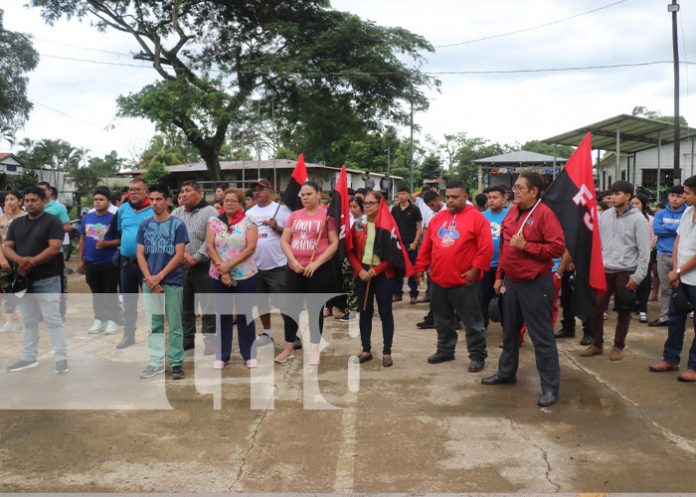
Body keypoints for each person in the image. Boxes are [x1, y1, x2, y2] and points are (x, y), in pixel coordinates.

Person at [482, 172, 565, 407]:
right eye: (514, 188)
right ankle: (506, 373)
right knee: (509, 333)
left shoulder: (544, 214)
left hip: (536, 284)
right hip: (512, 282)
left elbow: (557, 247)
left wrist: (527, 246)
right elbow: (507, 249)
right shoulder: (512, 212)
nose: (515, 191)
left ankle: (550, 387)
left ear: (534, 191)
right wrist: (500, 276)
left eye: (520, 188)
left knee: (542, 337)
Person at [414, 181, 492, 371]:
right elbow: (426, 247)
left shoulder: (477, 218)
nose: (450, 200)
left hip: (464, 281)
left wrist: (476, 269)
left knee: (472, 321)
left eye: (455, 197)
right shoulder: (437, 219)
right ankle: (445, 350)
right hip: (438, 280)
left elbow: (485, 248)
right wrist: (420, 267)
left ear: (466, 197)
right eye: (447, 197)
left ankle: (477, 355)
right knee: (442, 319)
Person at [581, 180, 650, 361]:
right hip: (604, 270)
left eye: (618, 194)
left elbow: (644, 251)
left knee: (624, 309)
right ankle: (597, 343)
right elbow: (597, 243)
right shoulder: (605, 216)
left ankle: (618, 346)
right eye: (612, 194)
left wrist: (638, 276)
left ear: (628, 196)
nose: (613, 197)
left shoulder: (639, 220)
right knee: (596, 308)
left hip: (626, 271)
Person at [4, 187, 68, 374]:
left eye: (34, 200)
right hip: (24, 279)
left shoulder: (53, 221)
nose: (30, 203)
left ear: (43, 201)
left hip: (47, 278)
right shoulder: (17, 224)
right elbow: (7, 246)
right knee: (28, 321)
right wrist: (20, 261)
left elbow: (54, 247)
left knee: (53, 320)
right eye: (27, 200)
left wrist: (31, 261)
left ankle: (61, 359)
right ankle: (28, 357)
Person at [275, 182, 338, 365]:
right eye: (302, 195)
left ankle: (314, 349)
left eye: (309, 194)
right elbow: (285, 240)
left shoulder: (328, 216)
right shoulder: (294, 216)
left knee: (314, 309)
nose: (305, 197)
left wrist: (317, 263)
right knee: (291, 308)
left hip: (317, 270)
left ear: (319, 194)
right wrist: (293, 262)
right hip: (295, 268)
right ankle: (289, 348)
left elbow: (334, 243)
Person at [136, 184, 189, 380]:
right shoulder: (145, 225)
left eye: (159, 199)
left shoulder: (177, 225)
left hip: (172, 282)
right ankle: (156, 362)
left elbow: (180, 254)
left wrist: (160, 276)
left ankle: (176, 362)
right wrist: (150, 278)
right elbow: (140, 254)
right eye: (152, 199)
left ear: (167, 201)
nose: (155, 203)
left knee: (175, 325)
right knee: (154, 324)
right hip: (150, 283)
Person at [649, 175, 696, 381]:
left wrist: (678, 271)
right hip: (682, 278)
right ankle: (671, 359)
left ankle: (694, 367)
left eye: (687, 193)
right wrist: (676, 271)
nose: (683, 196)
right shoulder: (688, 212)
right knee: (675, 321)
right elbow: (678, 240)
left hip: (692, 278)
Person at [206, 188, 258, 369]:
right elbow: (210, 247)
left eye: (233, 201)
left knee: (245, 314)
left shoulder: (249, 221)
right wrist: (223, 270)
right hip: (218, 274)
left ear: (241, 203)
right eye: (226, 200)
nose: (228, 203)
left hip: (245, 275)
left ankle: (248, 353)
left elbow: (250, 248)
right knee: (223, 314)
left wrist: (229, 266)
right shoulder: (214, 221)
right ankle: (222, 354)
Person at [102, 178, 153, 349]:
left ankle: (156, 337)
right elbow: (118, 232)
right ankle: (128, 335)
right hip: (127, 264)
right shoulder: (123, 209)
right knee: (129, 303)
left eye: (137, 189)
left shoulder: (154, 209)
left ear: (146, 191)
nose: (132, 192)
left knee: (153, 303)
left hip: (148, 265)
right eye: (130, 189)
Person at [347, 192, 396, 367]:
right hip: (362, 274)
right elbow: (350, 250)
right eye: (365, 203)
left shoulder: (388, 225)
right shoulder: (358, 225)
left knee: (385, 313)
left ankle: (387, 352)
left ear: (380, 204)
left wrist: (377, 270)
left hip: (382, 275)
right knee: (364, 312)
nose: (367, 206)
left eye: (371, 203)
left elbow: (393, 255)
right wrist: (359, 269)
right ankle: (366, 350)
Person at [171, 179, 219, 353]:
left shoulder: (210, 212)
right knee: (185, 306)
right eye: (181, 191)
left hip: (204, 267)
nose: (182, 194)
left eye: (187, 190)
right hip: (181, 267)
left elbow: (211, 238)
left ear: (199, 192)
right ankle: (188, 338)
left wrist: (197, 257)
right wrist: (183, 255)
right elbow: (171, 237)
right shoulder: (176, 213)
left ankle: (210, 340)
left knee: (208, 306)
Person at [246, 179, 295, 347]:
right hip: (255, 267)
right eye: (254, 189)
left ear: (269, 190)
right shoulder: (249, 213)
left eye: (260, 189)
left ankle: (292, 335)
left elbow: (293, 235)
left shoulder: (282, 210)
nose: (256, 192)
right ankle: (267, 333)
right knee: (261, 302)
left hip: (278, 266)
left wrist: (277, 228)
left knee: (284, 303)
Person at [78, 187, 121, 335]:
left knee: (109, 291)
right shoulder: (88, 217)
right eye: (95, 199)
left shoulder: (114, 218)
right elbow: (82, 238)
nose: (97, 202)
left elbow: (120, 239)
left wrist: (107, 244)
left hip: (109, 262)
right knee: (96, 292)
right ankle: (99, 319)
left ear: (109, 202)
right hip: (91, 262)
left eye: (101, 199)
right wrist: (81, 260)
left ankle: (113, 320)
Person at [650, 185, 686, 327]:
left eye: (679, 196)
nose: (675, 199)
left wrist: (668, 228)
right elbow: (657, 229)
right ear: (669, 196)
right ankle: (665, 317)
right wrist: (676, 229)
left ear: (684, 198)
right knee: (665, 289)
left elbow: (683, 231)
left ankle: (680, 317)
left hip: (682, 257)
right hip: (663, 255)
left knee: (684, 289)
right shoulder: (660, 214)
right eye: (672, 195)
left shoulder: (688, 213)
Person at [416, 189, 447, 329]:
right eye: (428, 204)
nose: (431, 206)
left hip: (446, 256)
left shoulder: (448, 211)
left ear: (438, 198)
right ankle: (433, 317)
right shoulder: (429, 213)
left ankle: (447, 318)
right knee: (433, 290)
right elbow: (426, 233)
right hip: (433, 256)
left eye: (432, 203)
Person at [480, 185, 509, 329]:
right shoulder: (482, 216)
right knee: (482, 300)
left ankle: (508, 333)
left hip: (503, 267)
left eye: (495, 198)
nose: (491, 200)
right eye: (489, 198)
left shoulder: (510, 215)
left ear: (504, 199)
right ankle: (481, 330)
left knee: (505, 301)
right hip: (486, 266)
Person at [0, 190, 27, 332]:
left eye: (12, 199)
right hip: (5, 260)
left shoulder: (26, 217)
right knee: (8, 289)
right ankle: (9, 322)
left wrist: (11, 220)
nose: (9, 202)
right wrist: (1, 257)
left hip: (22, 259)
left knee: (22, 288)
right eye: (6, 199)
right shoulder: (1, 219)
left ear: (20, 201)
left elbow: (23, 238)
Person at [391, 186, 422, 304]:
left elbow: (419, 228)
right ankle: (397, 293)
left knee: (413, 270)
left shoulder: (414, 209)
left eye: (404, 193)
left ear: (409, 195)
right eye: (399, 193)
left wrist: (415, 243)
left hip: (411, 245)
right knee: (397, 269)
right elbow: (391, 226)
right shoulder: (394, 209)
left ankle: (414, 294)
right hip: (398, 245)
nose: (401, 196)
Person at [631, 194, 656, 323]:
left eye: (637, 203)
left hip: (646, 254)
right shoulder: (627, 219)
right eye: (633, 203)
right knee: (630, 281)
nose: (634, 206)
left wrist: (646, 249)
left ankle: (642, 309)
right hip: (629, 256)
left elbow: (653, 237)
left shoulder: (650, 219)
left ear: (643, 205)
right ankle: (632, 304)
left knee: (645, 281)